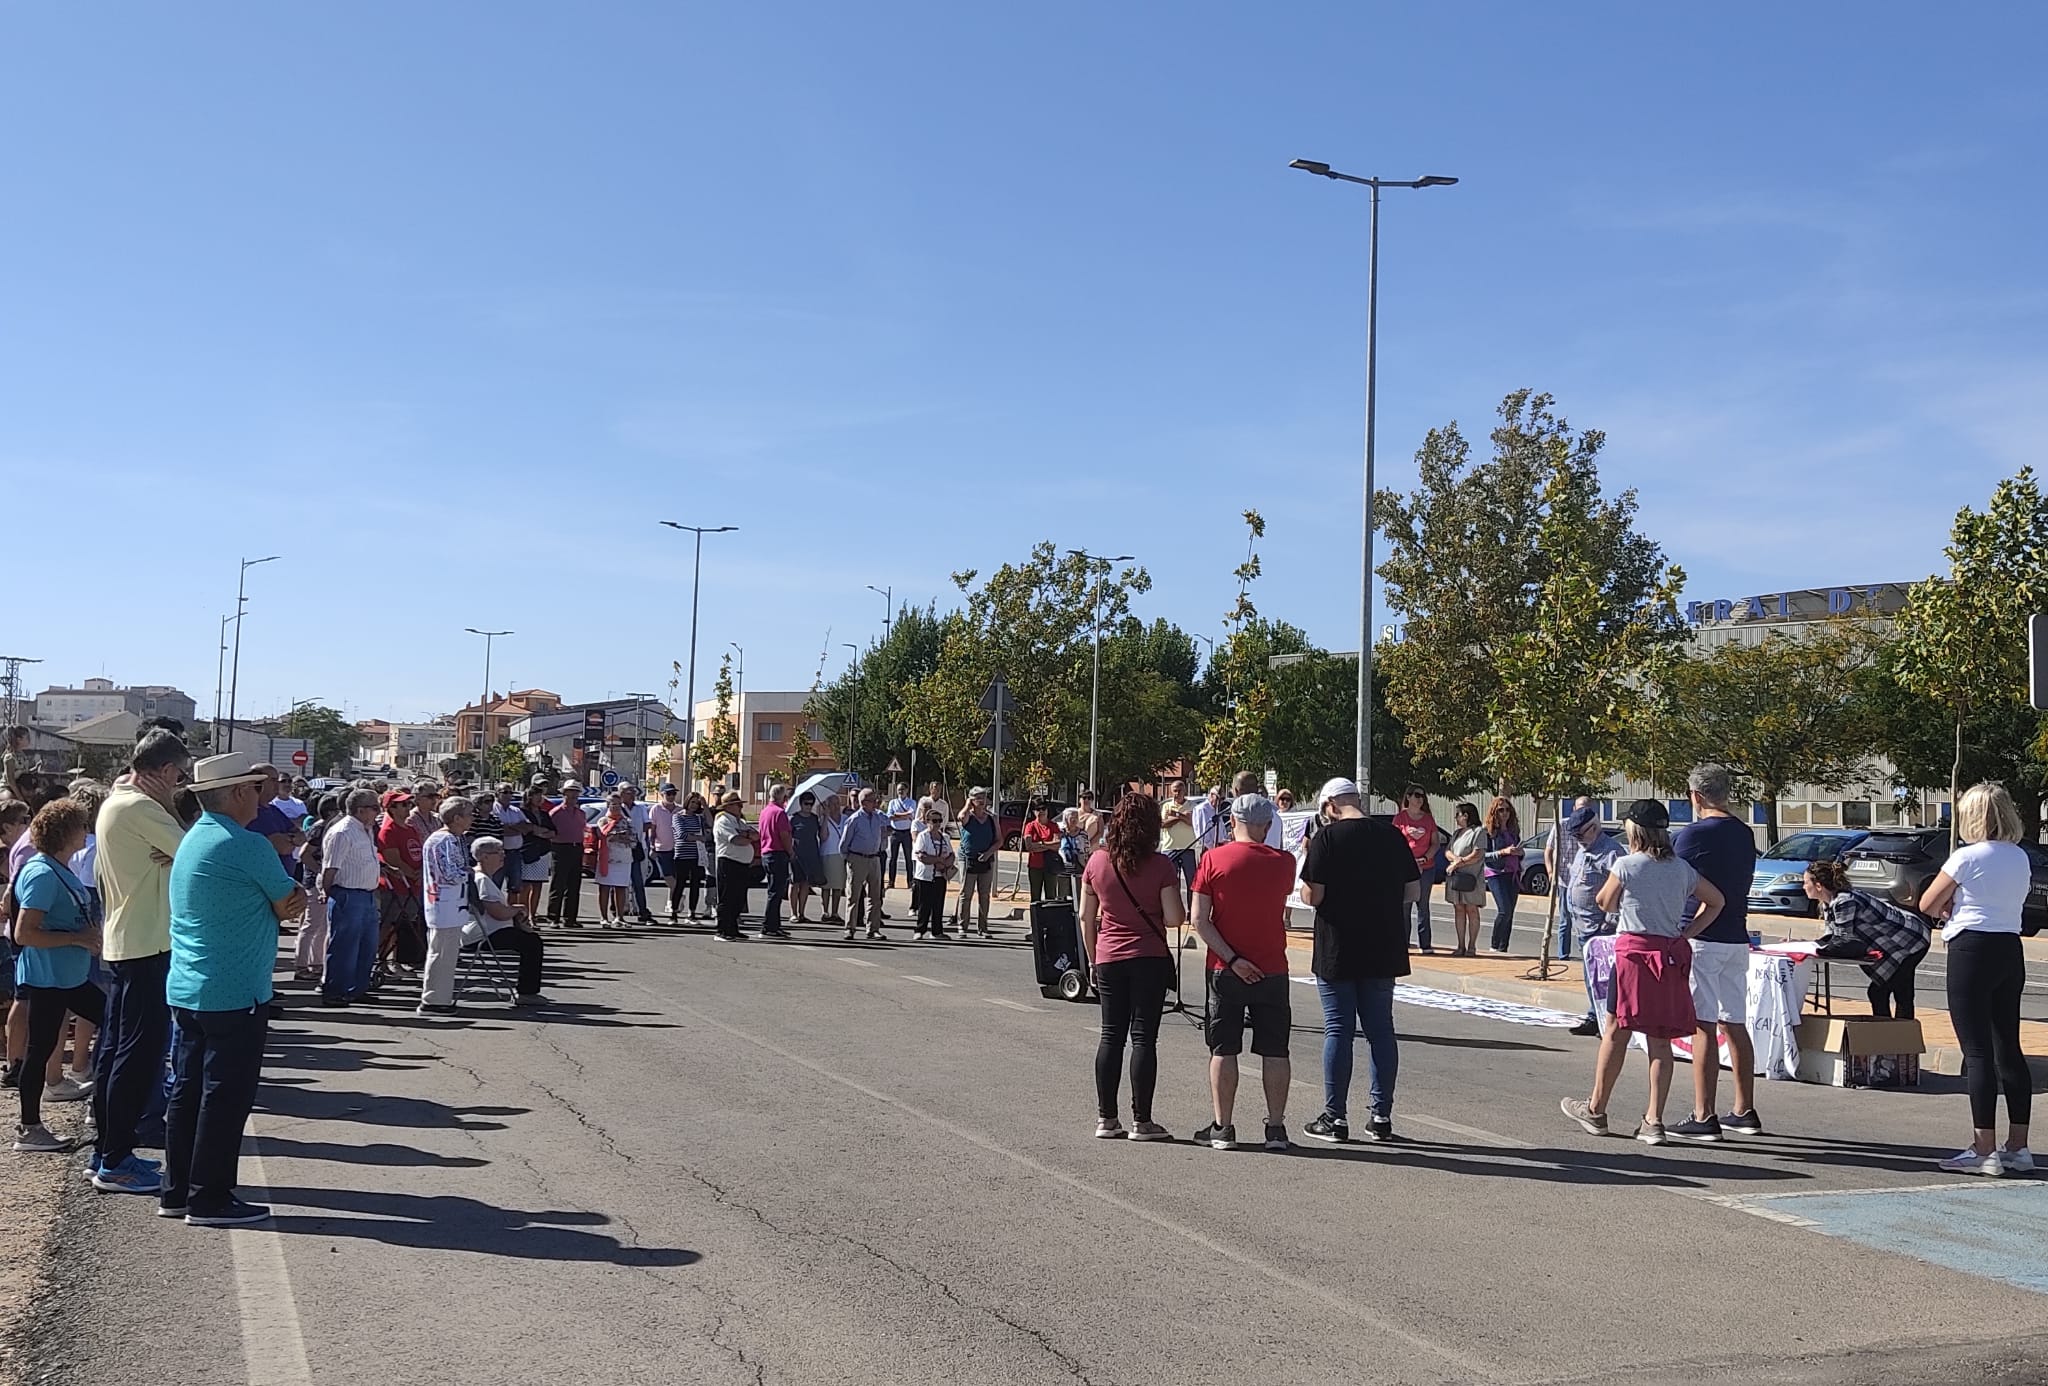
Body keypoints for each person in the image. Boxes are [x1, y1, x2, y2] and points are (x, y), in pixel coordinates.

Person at [164, 751, 306, 1225]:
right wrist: (293, 898)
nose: (260, 795)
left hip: (189, 984)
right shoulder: (246, 845)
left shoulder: (193, 839)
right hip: (235, 989)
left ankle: (178, 1190)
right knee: (226, 1097)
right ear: (240, 793)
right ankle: (211, 1198)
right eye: (255, 788)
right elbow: (289, 903)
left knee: (188, 1091)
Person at [1560, 799, 1725, 1147]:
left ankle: (1597, 1108)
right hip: (1668, 954)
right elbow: (1717, 901)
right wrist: (1687, 932)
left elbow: (1604, 901)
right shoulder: (1681, 869)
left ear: (1634, 829)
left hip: (1634, 955)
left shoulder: (1627, 864)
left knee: (1616, 1029)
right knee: (1659, 1038)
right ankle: (1654, 1119)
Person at [89, 728, 191, 1192]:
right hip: (147, 943)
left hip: (126, 941)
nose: (180, 785)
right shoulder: (143, 808)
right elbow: (194, 852)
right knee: (139, 1054)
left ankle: (108, 1149)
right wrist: (173, 842)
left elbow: (176, 854)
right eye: (179, 776)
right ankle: (116, 1159)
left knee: (115, 1051)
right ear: (166, 771)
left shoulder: (116, 803)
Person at [1918, 782, 2033, 1177]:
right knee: (2008, 1047)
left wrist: (1950, 907)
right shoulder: (2019, 857)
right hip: (2009, 948)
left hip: (1971, 949)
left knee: (1977, 1051)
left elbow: (1928, 903)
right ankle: (2018, 1146)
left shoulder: (1965, 857)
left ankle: (1983, 1148)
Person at [1298, 779, 1419, 1145]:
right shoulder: (1392, 836)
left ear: (1330, 806)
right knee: (1381, 1029)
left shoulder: (1327, 839)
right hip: (1384, 944)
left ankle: (1335, 1117)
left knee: (1338, 1029)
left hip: (1339, 945)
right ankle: (1381, 1116)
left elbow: (1312, 895)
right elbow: (1412, 891)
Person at [1186, 793, 1299, 1152]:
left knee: (1223, 1048)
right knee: (1275, 1049)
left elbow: (1199, 920)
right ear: (1267, 825)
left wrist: (1233, 959)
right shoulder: (1285, 862)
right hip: (1272, 968)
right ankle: (1276, 1129)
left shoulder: (1212, 859)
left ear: (1232, 821)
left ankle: (1223, 1127)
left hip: (1224, 968)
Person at [1078, 793, 1183, 1142]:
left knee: (1111, 1036)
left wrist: (1093, 959)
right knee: (1143, 1039)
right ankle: (1142, 1121)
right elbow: (1173, 918)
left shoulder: (1097, 862)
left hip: (1108, 957)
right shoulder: (1162, 866)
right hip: (1149, 958)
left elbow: (1085, 917)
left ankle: (1106, 1118)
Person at [1671, 766, 1761, 1143]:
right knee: (1734, 1022)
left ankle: (1703, 1113)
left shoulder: (1692, 835)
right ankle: (1744, 1108)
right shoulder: (1744, 833)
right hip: (1736, 936)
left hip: (1703, 935)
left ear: (1695, 796)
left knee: (1703, 1024)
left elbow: (1674, 878)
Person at [11, 799, 104, 1156]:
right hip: (50, 977)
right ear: (66, 833)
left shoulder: (55, 867)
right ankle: (29, 1127)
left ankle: (96, 1103)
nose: (87, 832)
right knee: (41, 1050)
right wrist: (77, 938)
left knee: (112, 1021)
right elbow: (24, 933)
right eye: (82, 826)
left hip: (67, 976)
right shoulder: (43, 874)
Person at [1805, 859, 1930, 1020]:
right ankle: (1895, 1036)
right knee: (1897, 991)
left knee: (1882, 991)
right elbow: (1831, 938)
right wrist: (1807, 945)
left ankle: (1894, 1034)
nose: (1803, 886)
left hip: (1912, 939)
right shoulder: (1828, 904)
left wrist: (1816, 949)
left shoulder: (1845, 901)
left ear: (1819, 885)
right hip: (1897, 942)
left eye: (1806, 882)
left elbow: (1844, 939)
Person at [1560, 804, 1624, 1037]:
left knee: (1604, 978)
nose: (1577, 839)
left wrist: (1609, 921)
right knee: (1590, 976)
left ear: (1594, 827)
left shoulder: (1611, 852)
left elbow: (1622, 889)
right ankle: (1593, 1015)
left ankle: (1604, 1018)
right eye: (1574, 835)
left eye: (1580, 834)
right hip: (1582, 924)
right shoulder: (1582, 849)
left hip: (1600, 928)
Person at [462, 837, 548, 1004]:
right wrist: (517, 909)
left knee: (530, 940)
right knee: (532, 943)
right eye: (498, 852)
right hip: (484, 934)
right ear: (484, 857)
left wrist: (515, 910)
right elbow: (498, 913)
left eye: (503, 852)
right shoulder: (481, 880)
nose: (503, 855)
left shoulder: (486, 878)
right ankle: (526, 993)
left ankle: (526, 991)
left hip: (491, 930)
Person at [318, 789, 383, 1008]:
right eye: (375, 808)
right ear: (361, 810)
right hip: (347, 893)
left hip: (367, 894)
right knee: (344, 945)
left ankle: (357, 988)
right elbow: (330, 867)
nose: (378, 812)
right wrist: (326, 893)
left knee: (367, 945)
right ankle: (335, 990)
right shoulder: (343, 832)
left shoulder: (366, 829)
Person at [418, 796, 475, 1015]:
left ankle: (438, 996)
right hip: (446, 904)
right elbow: (451, 873)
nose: (471, 819)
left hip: (445, 904)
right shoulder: (445, 840)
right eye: (468, 815)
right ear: (457, 818)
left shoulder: (448, 838)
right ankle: (435, 999)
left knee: (443, 952)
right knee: (443, 954)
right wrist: (473, 872)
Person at [374, 788, 425, 988]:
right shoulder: (388, 830)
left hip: (413, 885)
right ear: (391, 808)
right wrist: (411, 874)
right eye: (402, 804)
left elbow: (417, 852)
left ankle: (396, 960)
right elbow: (393, 859)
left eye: (407, 804)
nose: (407, 808)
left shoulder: (410, 828)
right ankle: (382, 960)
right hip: (396, 886)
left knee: (403, 925)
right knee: (389, 924)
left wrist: (420, 871)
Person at [294, 794, 340, 980]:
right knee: (311, 924)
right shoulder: (319, 828)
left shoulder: (328, 828)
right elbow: (305, 854)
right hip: (314, 882)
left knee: (322, 925)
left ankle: (316, 962)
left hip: (322, 880)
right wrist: (320, 871)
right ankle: (301, 965)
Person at [1390, 787, 1439, 955]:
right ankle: (1403, 943)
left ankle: (1425, 944)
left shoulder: (1428, 820)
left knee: (1423, 905)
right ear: (1408, 797)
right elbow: (1394, 843)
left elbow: (1435, 843)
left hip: (1426, 868)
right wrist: (1407, 861)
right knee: (1404, 905)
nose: (1420, 799)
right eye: (1416, 795)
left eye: (1422, 796)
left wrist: (1424, 858)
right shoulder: (1400, 819)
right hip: (1405, 868)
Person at [1544, 796, 1593, 959]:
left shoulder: (1592, 827)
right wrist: (1551, 872)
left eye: (1586, 808)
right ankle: (1563, 955)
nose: (1582, 811)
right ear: (1573, 809)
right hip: (1565, 879)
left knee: (1586, 921)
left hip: (1584, 881)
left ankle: (1588, 954)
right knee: (1565, 920)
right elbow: (1548, 850)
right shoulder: (1562, 825)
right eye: (1579, 808)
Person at [839, 788, 891, 941]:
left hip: (874, 859)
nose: (877, 803)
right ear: (864, 802)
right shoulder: (854, 819)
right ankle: (850, 928)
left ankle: (873, 929)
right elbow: (843, 844)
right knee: (854, 896)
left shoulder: (877, 817)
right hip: (857, 858)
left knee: (875, 896)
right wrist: (850, 859)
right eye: (873, 800)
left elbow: (890, 823)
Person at [711, 792, 758, 941]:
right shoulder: (723, 821)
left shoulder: (740, 822)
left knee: (738, 898)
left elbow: (756, 835)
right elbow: (736, 840)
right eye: (738, 804)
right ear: (729, 806)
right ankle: (723, 930)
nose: (741, 807)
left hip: (742, 864)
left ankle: (733, 929)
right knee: (727, 898)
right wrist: (747, 837)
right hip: (729, 862)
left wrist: (747, 835)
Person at [1443, 803, 1488, 956]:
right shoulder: (1456, 833)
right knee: (1459, 908)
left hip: (1472, 878)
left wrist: (1460, 862)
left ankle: (1472, 946)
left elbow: (1478, 854)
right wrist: (1455, 859)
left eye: (1458, 815)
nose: (1456, 818)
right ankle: (1460, 945)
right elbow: (1448, 851)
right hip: (1456, 878)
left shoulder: (1479, 832)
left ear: (1466, 816)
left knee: (1471, 909)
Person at [953, 789, 997, 938]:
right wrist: (967, 803)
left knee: (984, 895)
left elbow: (999, 840)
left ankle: (983, 927)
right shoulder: (968, 816)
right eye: (978, 798)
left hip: (986, 859)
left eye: (983, 797)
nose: (982, 801)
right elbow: (961, 817)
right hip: (968, 858)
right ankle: (962, 926)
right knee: (966, 893)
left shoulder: (991, 818)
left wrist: (988, 853)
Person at [1481, 797, 1522, 953]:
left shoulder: (1513, 831)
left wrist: (1520, 852)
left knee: (1510, 912)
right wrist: (1502, 852)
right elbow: (1483, 855)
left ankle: (1503, 947)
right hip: (1495, 873)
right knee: (1504, 910)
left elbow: (1517, 848)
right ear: (1494, 812)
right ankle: (1494, 945)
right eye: (1501, 810)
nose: (1504, 813)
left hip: (1513, 873)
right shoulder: (1488, 832)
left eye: (1507, 810)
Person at [589, 791, 637, 926]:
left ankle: (620, 917)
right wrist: (620, 837)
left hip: (624, 859)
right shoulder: (602, 821)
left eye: (618, 804)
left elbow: (633, 840)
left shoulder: (627, 821)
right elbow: (605, 836)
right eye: (613, 804)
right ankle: (604, 918)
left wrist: (619, 837)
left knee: (621, 888)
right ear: (608, 805)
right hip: (607, 859)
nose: (615, 807)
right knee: (604, 888)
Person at [545, 784, 588, 926]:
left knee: (574, 885)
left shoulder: (581, 813)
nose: (574, 797)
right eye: (571, 793)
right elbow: (550, 832)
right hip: (560, 848)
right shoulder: (555, 812)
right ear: (564, 794)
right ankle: (553, 917)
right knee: (558, 883)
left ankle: (570, 918)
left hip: (577, 848)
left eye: (576, 793)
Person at [756, 783, 794, 939]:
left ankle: (774, 925)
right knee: (776, 893)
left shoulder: (765, 811)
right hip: (778, 853)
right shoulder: (780, 813)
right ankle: (769, 926)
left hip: (766, 853)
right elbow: (784, 835)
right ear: (783, 797)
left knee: (774, 891)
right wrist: (791, 852)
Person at [912, 806, 955, 938]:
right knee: (924, 905)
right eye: (934, 821)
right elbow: (921, 856)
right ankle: (920, 930)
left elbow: (951, 855)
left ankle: (937, 931)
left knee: (938, 904)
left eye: (939, 821)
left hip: (940, 875)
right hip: (925, 876)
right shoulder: (923, 836)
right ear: (927, 821)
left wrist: (945, 863)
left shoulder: (945, 837)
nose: (937, 824)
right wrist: (937, 860)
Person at [617, 782, 656, 923]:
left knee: (638, 881)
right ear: (621, 793)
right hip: (620, 850)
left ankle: (642, 911)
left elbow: (648, 824)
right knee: (619, 882)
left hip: (636, 848)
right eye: (629, 792)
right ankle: (618, 910)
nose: (632, 795)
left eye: (633, 792)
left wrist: (636, 832)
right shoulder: (617, 808)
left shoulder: (640, 809)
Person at [515, 784, 556, 915]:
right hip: (527, 852)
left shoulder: (544, 814)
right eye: (535, 795)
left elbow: (553, 831)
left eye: (540, 795)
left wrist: (541, 832)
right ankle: (523, 914)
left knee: (538, 886)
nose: (539, 798)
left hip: (543, 852)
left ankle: (533, 915)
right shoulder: (522, 812)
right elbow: (526, 829)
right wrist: (536, 831)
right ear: (529, 797)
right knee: (525, 886)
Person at [788, 791, 825, 923]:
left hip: (811, 854)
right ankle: (793, 913)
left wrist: (824, 817)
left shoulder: (814, 818)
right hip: (796, 854)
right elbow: (788, 836)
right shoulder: (793, 818)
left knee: (805, 884)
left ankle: (801, 912)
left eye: (811, 804)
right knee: (794, 883)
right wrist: (790, 852)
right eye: (806, 803)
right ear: (801, 804)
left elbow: (822, 835)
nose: (808, 806)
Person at [673, 791, 710, 922]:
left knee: (695, 884)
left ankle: (692, 912)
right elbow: (682, 834)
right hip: (682, 854)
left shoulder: (698, 817)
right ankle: (674, 912)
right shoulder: (678, 817)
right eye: (692, 802)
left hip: (696, 855)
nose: (694, 805)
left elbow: (710, 824)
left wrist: (705, 807)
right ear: (687, 801)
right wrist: (698, 837)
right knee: (680, 883)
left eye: (697, 803)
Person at [1160, 780, 1199, 903]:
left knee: (1191, 882)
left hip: (1188, 847)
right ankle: (1172, 911)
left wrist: (1175, 814)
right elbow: (1163, 824)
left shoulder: (1193, 805)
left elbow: (1192, 821)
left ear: (1185, 791)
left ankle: (1191, 913)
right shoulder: (1166, 805)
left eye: (1179, 790)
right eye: (1174, 791)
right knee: (1170, 883)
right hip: (1170, 848)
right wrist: (1182, 816)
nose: (1177, 793)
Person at [1022, 802, 1065, 903]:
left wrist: (1040, 844)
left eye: (1043, 809)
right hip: (1035, 865)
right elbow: (1029, 846)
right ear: (1034, 812)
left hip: (1051, 865)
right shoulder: (1030, 826)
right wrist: (1049, 846)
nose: (1041, 811)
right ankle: (1036, 917)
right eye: (1038, 809)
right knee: (1035, 896)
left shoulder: (1053, 826)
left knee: (1051, 896)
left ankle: (1050, 918)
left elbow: (1057, 845)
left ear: (1047, 811)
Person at [817, 792, 847, 924]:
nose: (835, 806)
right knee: (826, 886)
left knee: (838, 886)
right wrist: (826, 817)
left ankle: (835, 912)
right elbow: (823, 837)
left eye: (837, 804)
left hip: (841, 855)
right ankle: (825, 912)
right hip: (828, 853)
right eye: (832, 804)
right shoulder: (824, 819)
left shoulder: (846, 818)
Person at [885, 783, 918, 890]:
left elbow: (911, 815)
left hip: (907, 833)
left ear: (907, 790)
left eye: (902, 789)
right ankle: (891, 881)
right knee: (892, 858)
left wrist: (897, 815)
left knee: (909, 858)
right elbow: (890, 816)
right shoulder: (892, 802)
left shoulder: (912, 802)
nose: (900, 791)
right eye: (899, 789)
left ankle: (910, 881)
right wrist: (904, 816)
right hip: (895, 832)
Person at [1077, 790, 1105, 858]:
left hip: (1093, 848)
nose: (1086, 800)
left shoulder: (1098, 815)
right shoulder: (1074, 814)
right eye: (1084, 797)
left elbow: (1100, 832)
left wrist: (1089, 843)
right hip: (1077, 848)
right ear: (1079, 800)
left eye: (1089, 798)